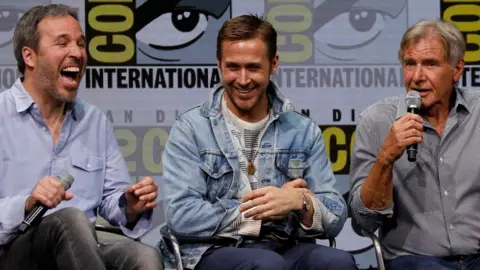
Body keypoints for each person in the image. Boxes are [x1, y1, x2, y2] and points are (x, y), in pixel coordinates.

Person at [157, 13, 357, 270]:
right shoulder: (191, 128)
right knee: (267, 265)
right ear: (219, 64)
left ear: (273, 64)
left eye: (253, 67)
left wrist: (299, 202)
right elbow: (181, 215)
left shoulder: (302, 129)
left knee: (337, 262)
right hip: (214, 249)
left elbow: (336, 214)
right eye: (232, 67)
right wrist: (258, 212)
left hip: (285, 246)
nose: (242, 80)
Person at [0, 4, 163, 270]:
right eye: (62, 43)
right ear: (29, 56)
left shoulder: (95, 121)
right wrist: (26, 202)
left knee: (144, 258)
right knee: (70, 220)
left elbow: (113, 201)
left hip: (81, 251)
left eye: (80, 44)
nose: (76, 53)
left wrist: (130, 205)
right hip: (14, 252)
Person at [349, 19, 480, 269]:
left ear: (457, 69)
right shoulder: (376, 121)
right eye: (410, 64)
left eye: (430, 64)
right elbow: (362, 222)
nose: (417, 77)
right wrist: (386, 158)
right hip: (414, 261)